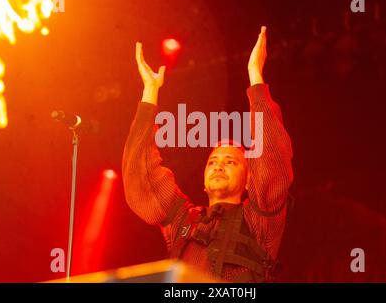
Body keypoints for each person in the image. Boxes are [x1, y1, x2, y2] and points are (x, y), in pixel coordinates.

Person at [122, 26, 294, 282]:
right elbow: (141, 177)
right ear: (203, 180)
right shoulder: (182, 219)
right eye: (213, 161)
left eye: (231, 161)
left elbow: (270, 160)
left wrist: (255, 76)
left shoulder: (259, 221)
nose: (219, 166)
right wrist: (150, 93)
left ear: (249, 179)